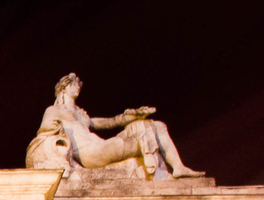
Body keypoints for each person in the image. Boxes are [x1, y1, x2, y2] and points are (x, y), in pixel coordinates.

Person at [24, 73, 202, 182]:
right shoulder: (54, 110)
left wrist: (133, 116)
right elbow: (44, 132)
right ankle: (155, 170)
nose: (77, 88)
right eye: (74, 85)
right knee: (143, 138)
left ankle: (177, 167)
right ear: (64, 88)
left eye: (78, 85)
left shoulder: (81, 114)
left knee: (154, 125)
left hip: (102, 146)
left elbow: (109, 122)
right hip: (92, 154)